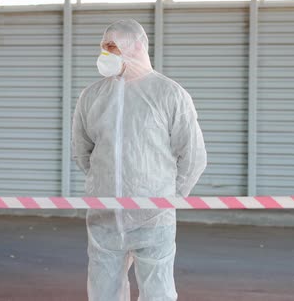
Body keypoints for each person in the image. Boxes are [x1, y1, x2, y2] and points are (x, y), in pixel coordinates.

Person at [71, 19, 207, 301]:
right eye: (104, 47)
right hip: (105, 216)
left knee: (158, 293)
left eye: (113, 47)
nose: (106, 55)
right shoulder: (91, 96)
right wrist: (103, 185)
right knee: (103, 293)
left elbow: (193, 156)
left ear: (138, 45)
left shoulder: (169, 94)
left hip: (154, 218)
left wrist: (169, 199)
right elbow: (82, 152)